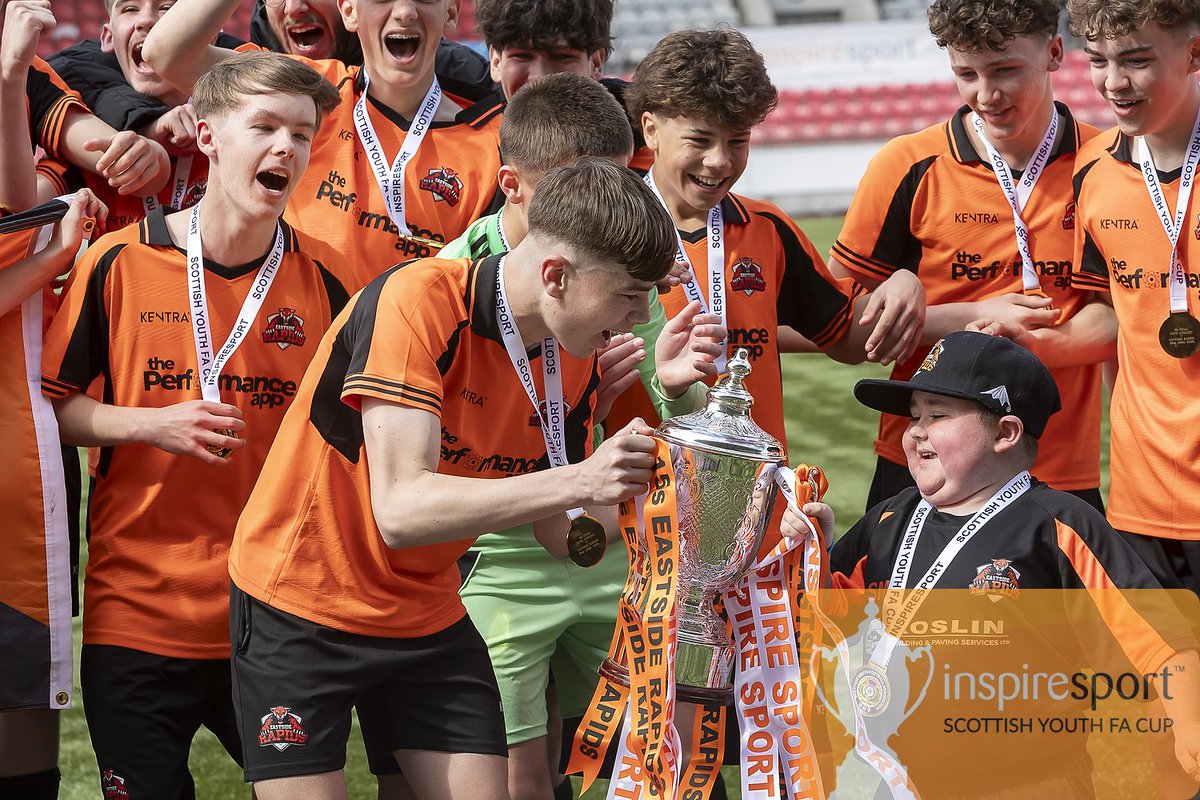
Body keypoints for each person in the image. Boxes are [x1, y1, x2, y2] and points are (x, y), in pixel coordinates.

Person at [223, 158, 683, 800]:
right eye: (629, 294)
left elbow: (562, 540)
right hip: (303, 600)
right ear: (555, 274)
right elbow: (403, 511)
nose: (640, 316)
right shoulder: (420, 298)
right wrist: (583, 478)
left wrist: (662, 501)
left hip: (426, 611)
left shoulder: (572, 358)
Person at [40, 51, 350, 798]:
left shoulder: (333, 278)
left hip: (277, 614)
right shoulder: (115, 261)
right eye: (265, 126)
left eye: (302, 134)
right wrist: (153, 424)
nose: (286, 147)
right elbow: (56, 408)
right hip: (138, 615)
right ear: (207, 137)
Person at [441, 73, 718, 800]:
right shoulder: (445, 280)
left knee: (659, 737)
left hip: (602, 538)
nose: (601, 201)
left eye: (617, 179)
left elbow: (687, 414)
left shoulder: (626, 272)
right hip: (492, 555)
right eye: (578, 182)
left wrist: (675, 384)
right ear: (515, 186)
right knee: (516, 770)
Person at [783, 330, 1200, 797]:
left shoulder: (1057, 526)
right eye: (914, 415)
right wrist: (808, 553)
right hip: (894, 782)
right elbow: (823, 617)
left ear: (1005, 433)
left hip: (1028, 785)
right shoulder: (891, 516)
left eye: (937, 415)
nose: (915, 430)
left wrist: (1187, 726)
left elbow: (1162, 641)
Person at [608, 27, 924, 500]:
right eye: (700, 139)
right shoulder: (604, 231)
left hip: (757, 516)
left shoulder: (768, 229)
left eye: (738, 141)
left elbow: (849, 340)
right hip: (639, 519)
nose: (719, 161)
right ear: (650, 127)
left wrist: (901, 284)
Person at [828, 0, 1114, 513]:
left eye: (1006, 71)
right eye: (966, 74)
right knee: (894, 598)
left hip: (1055, 463)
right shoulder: (907, 164)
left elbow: (1113, 315)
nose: (987, 95)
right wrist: (967, 318)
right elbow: (835, 318)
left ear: (1054, 53)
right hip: (921, 461)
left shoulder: (1107, 165)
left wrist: (1037, 343)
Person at [145, 0, 507, 291]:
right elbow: (167, 53)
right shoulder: (314, 91)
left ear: (451, 11)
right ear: (349, 10)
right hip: (294, 343)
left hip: (403, 367)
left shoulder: (493, 141)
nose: (405, 11)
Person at [1068, 0, 1200, 594]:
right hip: (1142, 500)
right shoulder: (1093, 168)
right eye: (1098, 60)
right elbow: (1109, 314)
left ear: (1194, 52)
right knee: (1168, 684)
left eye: (1137, 61)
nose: (1113, 83)